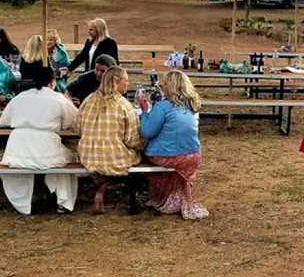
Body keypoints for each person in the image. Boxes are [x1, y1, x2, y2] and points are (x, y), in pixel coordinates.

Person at [0, 67, 79, 215]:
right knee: (68, 161)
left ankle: (23, 203)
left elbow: (4, 120)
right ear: (52, 82)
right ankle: (63, 200)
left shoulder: (20, 97)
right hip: (45, 146)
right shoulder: (58, 98)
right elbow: (75, 120)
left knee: (62, 161)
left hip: (18, 148)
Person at [138, 70, 209, 220]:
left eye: (164, 84)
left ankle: (156, 195)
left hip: (171, 157)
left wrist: (144, 112)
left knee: (141, 154)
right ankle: (172, 196)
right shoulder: (193, 105)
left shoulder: (163, 106)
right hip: (193, 155)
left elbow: (147, 132)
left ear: (170, 86)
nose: (162, 86)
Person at [77, 66, 143, 214]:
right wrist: (142, 145)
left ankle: (101, 186)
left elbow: (78, 128)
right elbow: (132, 139)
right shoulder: (124, 104)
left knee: (104, 163)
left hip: (88, 156)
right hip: (115, 158)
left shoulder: (88, 100)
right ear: (117, 82)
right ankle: (109, 189)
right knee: (138, 158)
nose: (128, 84)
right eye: (126, 81)